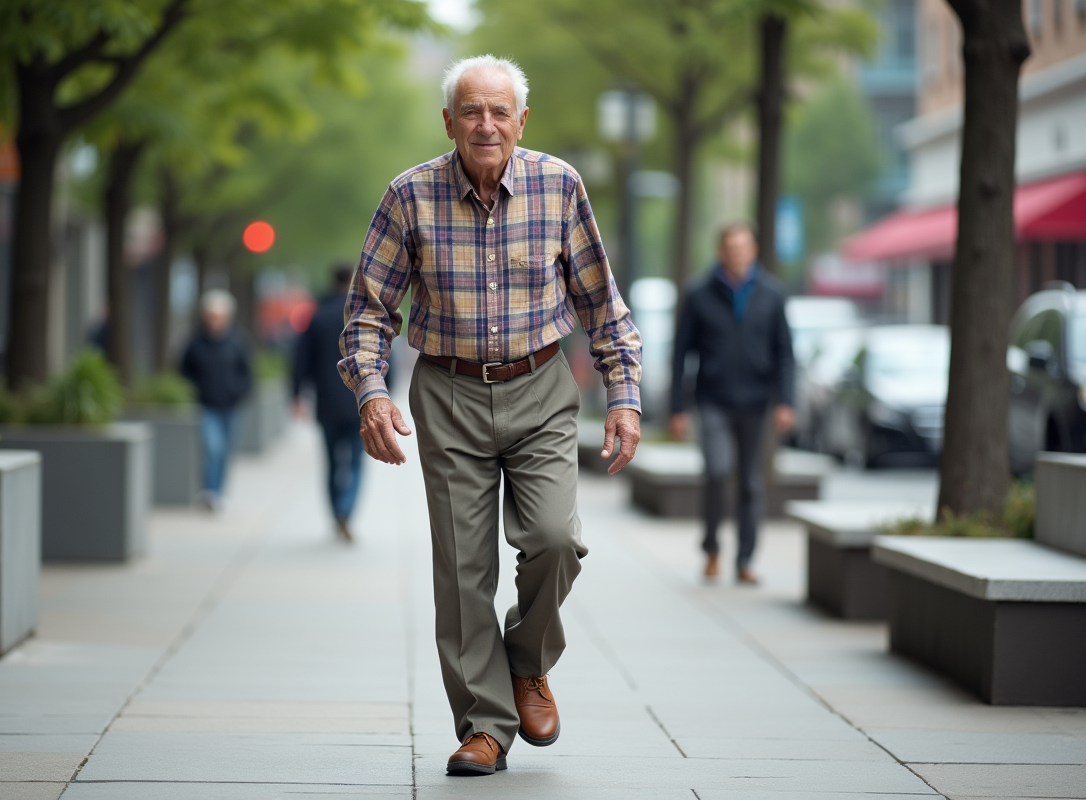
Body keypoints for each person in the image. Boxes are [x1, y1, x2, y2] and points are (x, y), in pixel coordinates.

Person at [338, 55, 642, 777]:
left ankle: (526, 660)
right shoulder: (408, 196)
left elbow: (602, 304)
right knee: (462, 569)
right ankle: (485, 725)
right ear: (449, 121)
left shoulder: (558, 185)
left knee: (555, 539)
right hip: (448, 393)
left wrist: (624, 395)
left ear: (521, 121)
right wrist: (373, 393)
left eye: (499, 112)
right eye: (471, 111)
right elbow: (367, 313)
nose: (486, 124)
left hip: (539, 387)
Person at [669, 223, 795, 585]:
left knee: (751, 483)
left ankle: (745, 559)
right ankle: (711, 549)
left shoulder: (772, 293)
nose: (737, 254)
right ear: (720, 252)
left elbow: (785, 352)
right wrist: (677, 408)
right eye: (730, 248)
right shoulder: (698, 293)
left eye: (743, 247)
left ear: (753, 250)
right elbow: (681, 354)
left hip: (757, 402)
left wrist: (785, 401)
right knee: (718, 471)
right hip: (712, 400)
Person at [293, 265, 364, 543]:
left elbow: (300, 359)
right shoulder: (360, 317)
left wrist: (297, 394)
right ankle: (347, 510)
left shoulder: (317, 316)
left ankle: (337, 512)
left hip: (327, 402)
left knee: (332, 462)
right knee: (357, 462)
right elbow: (384, 354)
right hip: (359, 401)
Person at [180, 290, 253, 512]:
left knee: (225, 451)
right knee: (212, 447)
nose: (214, 321)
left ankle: (219, 491)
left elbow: (247, 372)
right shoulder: (195, 342)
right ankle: (210, 491)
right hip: (207, 405)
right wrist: (195, 391)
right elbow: (184, 370)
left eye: (219, 316)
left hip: (231, 406)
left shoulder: (237, 341)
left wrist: (239, 392)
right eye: (211, 316)